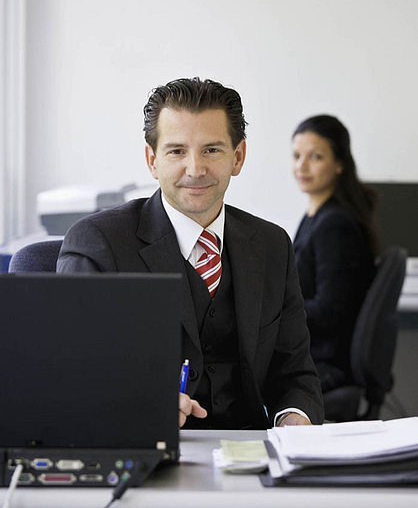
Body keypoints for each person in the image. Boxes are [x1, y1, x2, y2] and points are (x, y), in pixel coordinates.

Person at [57, 77, 323, 429]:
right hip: (145, 453)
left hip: (250, 457)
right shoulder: (98, 244)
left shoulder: (272, 245)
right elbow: (71, 377)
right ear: (152, 160)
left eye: (211, 150)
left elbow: (295, 373)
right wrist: (139, 405)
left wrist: (294, 420)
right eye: (177, 151)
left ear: (237, 157)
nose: (195, 169)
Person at [292, 114, 378, 392]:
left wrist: (275, 317)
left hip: (325, 361)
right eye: (296, 156)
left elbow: (330, 310)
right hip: (314, 353)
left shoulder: (334, 225)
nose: (301, 166)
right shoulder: (316, 216)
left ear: (339, 163)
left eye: (315, 157)